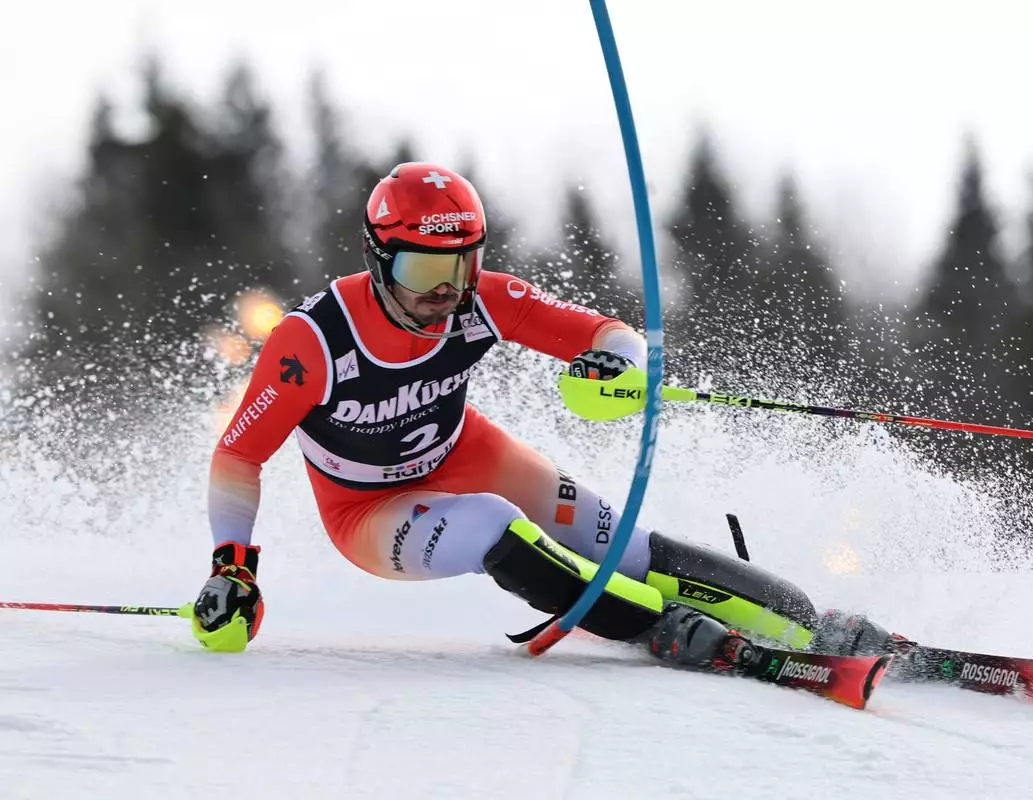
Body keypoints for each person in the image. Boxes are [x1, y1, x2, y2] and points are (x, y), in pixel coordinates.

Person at [192, 162, 899, 670]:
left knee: (620, 544)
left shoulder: (481, 300)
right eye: (423, 272)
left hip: (465, 452)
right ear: (379, 259)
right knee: (493, 525)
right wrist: (234, 568)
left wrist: (617, 365)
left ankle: (813, 625)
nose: (446, 293)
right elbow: (239, 455)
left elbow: (610, 334)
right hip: (368, 509)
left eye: (461, 268)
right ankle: (663, 630)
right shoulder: (313, 341)